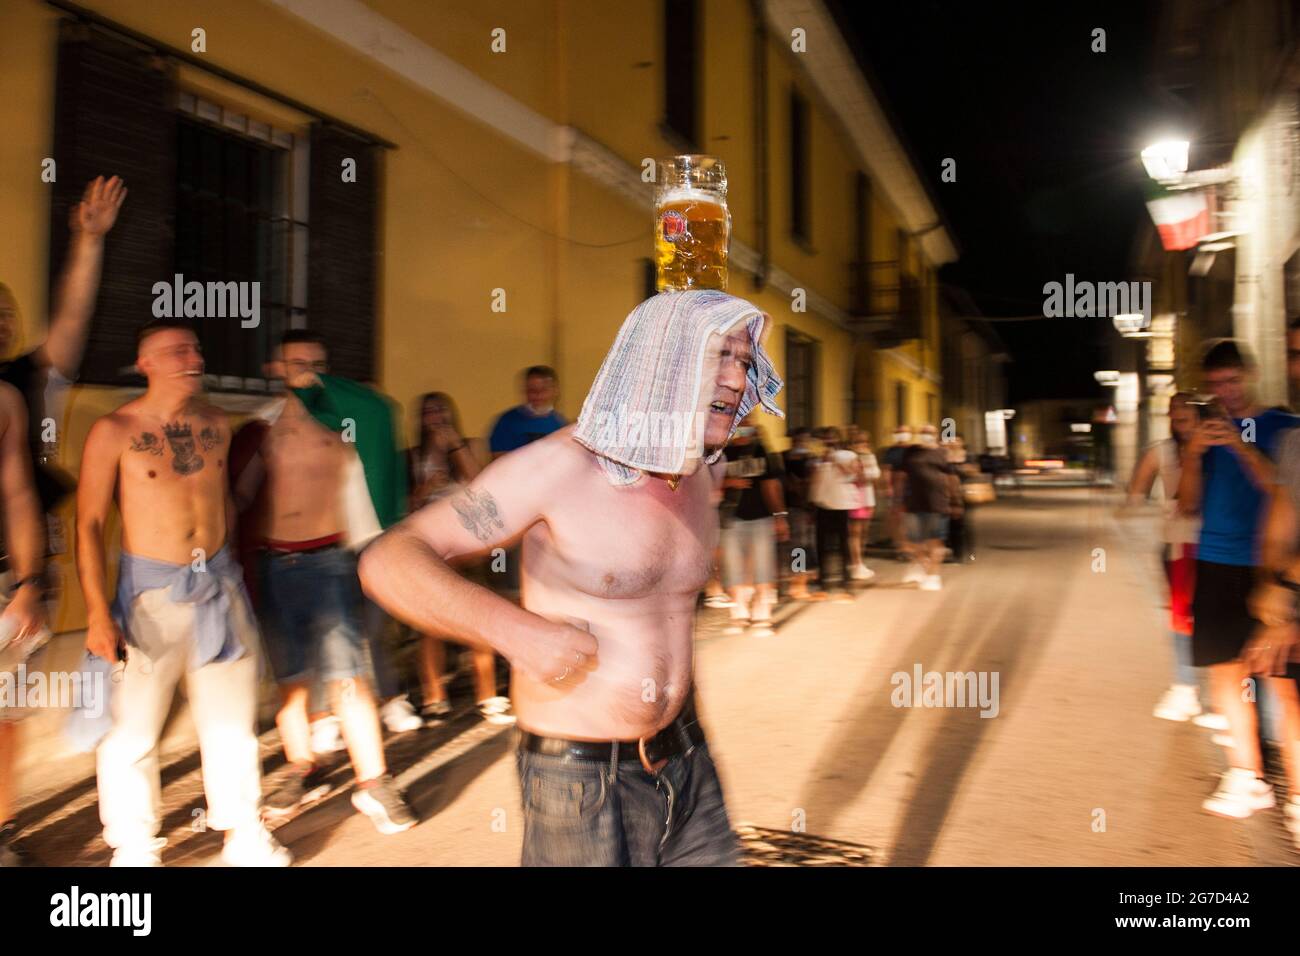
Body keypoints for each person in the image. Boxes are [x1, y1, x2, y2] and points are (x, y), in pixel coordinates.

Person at [360, 290, 784, 866]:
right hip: (581, 784)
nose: (737, 379)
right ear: (661, 363)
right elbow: (391, 557)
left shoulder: (705, 472)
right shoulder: (560, 467)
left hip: (688, 760)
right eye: (720, 357)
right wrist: (515, 632)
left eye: (744, 359)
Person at [76, 320, 289, 866]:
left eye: (195, 348)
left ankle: (244, 833)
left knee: (232, 724)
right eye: (177, 350)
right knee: (131, 730)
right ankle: (134, 844)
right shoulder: (114, 429)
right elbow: (89, 524)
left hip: (218, 589)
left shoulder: (217, 424)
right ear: (146, 362)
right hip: (149, 596)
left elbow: (229, 505)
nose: (192, 357)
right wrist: (99, 614)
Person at [233, 331, 416, 833]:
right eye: (297, 363)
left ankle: (374, 782)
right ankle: (302, 767)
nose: (308, 371)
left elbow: (378, 461)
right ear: (275, 367)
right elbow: (239, 497)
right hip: (274, 564)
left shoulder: (344, 425)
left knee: (350, 677)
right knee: (290, 682)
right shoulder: (261, 429)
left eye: (317, 363)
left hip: (329, 563)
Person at [1178, 339, 1298, 819]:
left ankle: (1293, 791)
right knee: (1225, 673)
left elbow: (1282, 492)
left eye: (1230, 381)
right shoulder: (1206, 433)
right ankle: (1248, 776)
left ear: (1248, 376)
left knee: (1282, 680)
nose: (1223, 392)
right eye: (1213, 385)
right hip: (1217, 560)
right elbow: (1186, 503)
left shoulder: (1283, 427)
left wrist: (1239, 443)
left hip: (1271, 567)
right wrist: (1193, 453)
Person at [409, 391, 514, 724]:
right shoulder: (412, 456)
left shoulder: (465, 445)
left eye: (441, 410)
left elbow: (481, 484)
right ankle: (434, 698)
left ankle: (488, 696)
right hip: (431, 548)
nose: (436, 417)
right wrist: (426, 487)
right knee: (431, 624)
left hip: (468, 547)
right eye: (429, 412)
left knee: (477, 615)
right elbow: (407, 505)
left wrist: (453, 445)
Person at [1246, 320, 1300, 849]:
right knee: (1286, 694)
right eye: (1295, 354)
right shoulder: (1293, 442)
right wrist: (1272, 585)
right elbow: (1279, 519)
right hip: (1290, 588)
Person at [1125, 392, 1205, 722]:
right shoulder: (1163, 450)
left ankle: (1202, 691)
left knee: (1209, 616)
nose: (1178, 422)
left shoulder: (1214, 446)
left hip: (1213, 542)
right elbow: (1136, 491)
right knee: (1181, 616)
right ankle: (1187, 686)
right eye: (1173, 416)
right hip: (1179, 544)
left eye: (1184, 416)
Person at [0, 382, 47, 867]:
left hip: (2, 581)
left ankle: (1, 831)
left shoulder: (6, 400)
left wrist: (28, 582)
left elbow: (18, 495)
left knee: (4, 719)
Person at [719, 413, 789, 636]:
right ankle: (739, 615)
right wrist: (729, 482)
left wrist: (780, 516)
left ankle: (763, 615)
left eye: (747, 422)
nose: (744, 427)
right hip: (731, 518)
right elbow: (709, 485)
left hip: (761, 517)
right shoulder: (723, 453)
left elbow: (772, 486)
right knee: (734, 568)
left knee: (763, 567)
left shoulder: (761, 450)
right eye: (740, 423)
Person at [899, 423, 959, 591]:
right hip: (912, 503)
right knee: (914, 541)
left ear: (936, 434)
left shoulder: (943, 453)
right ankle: (922, 566)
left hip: (937, 504)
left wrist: (955, 501)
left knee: (935, 541)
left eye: (930, 432)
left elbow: (952, 478)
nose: (926, 434)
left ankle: (933, 576)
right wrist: (898, 499)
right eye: (924, 432)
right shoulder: (911, 452)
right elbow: (902, 476)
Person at [808, 427, 861, 600]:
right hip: (822, 504)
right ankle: (823, 581)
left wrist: (835, 462)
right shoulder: (818, 457)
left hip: (841, 506)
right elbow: (814, 481)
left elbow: (855, 476)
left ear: (838, 439)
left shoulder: (849, 455)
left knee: (842, 545)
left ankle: (846, 581)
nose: (828, 441)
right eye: (826, 438)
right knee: (821, 546)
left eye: (832, 438)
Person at [781, 427, 822, 601]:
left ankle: (797, 583)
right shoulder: (784, 458)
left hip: (803, 506)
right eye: (800, 439)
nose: (802, 442)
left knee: (801, 546)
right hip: (793, 506)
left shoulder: (810, 459)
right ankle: (797, 586)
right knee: (799, 546)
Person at [488, 365, 566, 457]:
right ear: (525, 391)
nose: (538, 394)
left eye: (543, 390)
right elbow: (500, 459)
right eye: (532, 390)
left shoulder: (560, 424)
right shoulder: (507, 422)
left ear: (555, 391)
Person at [847, 431, 880, 582]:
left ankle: (859, 561)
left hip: (867, 498)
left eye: (864, 442)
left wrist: (867, 465)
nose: (862, 445)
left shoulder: (870, 457)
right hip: (854, 498)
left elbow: (875, 474)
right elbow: (851, 476)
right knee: (855, 532)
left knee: (864, 532)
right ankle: (856, 564)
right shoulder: (848, 457)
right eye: (858, 442)